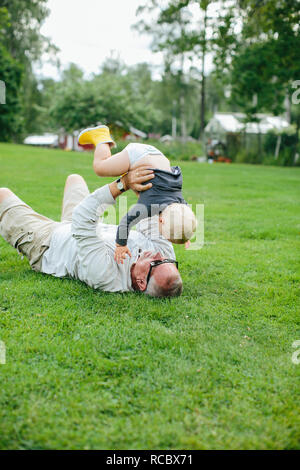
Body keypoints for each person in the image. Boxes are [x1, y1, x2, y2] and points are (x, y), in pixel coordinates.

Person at [0, 168, 183, 297]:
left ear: (141, 282)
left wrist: (123, 184)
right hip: (86, 229)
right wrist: (145, 186)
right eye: (167, 260)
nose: (159, 255)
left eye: (156, 263)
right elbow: (152, 213)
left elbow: (82, 217)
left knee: (2, 194)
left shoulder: (104, 275)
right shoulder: (164, 255)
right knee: (75, 178)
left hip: (46, 242)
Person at [78, 125, 197, 264]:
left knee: (140, 188)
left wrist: (185, 233)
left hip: (157, 156)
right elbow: (126, 222)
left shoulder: (180, 203)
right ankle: (101, 137)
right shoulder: (148, 206)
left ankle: (105, 142)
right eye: (165, 235)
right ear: (161, 220)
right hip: (137, 156)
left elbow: (184, 217)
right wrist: (120, 245)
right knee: (100, 167)